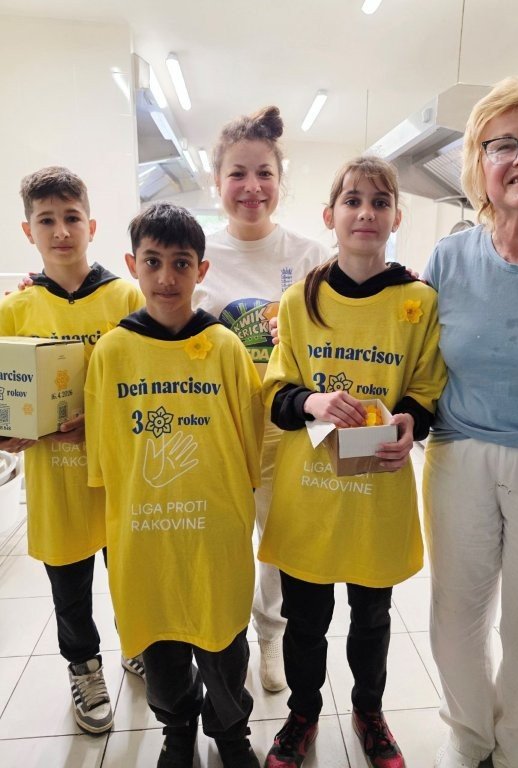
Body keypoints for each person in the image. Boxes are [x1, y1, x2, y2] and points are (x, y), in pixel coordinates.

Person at [258, 156, 446, 768]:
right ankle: (302, 714)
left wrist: (409, 421)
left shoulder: (417, 301)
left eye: (380, 202)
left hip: (376, 490)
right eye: (353, 201)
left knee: (372, 618)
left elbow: (426, 388)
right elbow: (277, 395)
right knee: (305, 620)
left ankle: (369, 711)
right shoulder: (299, 301)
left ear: (396, 217)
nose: (366, 213)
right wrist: (312, 401)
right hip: (310, 496)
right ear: (329, 215)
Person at [422, 77, 518, 768]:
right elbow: (410, 356)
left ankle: (517, 755)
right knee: (455, 620)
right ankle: (469, 737)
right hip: (459, 453)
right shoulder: (449, 259)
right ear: (479, 166)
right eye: (503, 144)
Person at [84, 202, 264, 768]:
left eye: (181, 263)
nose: (166, 277)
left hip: (215, 529)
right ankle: (177, 728)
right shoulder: (113, 351)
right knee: (159, 645)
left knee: (223, 644)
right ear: (131, 265)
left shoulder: (225, 347)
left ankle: (231, 733)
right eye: (153, 262)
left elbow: (250, 442)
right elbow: (105, 454)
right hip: (144, 531)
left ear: (201, 271)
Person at [0, 166, 144, 734]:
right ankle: (84, 667)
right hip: (55, 479)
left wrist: (102, 422)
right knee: (68, 584)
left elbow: (147, 382)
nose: (61, 231)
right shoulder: (15, 310)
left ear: (92, 225)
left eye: (71, 218)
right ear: (28, 230)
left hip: (119, 475)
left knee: (130, 571)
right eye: (46, 221)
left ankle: (138, 644)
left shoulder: (127, 296)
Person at [193, 105, 328, 692]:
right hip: (218, 429)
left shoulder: (309, 255)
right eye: (238, 173)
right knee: (222, 541)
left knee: (276, 541)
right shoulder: (197, 255)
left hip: (287, 429)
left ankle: (270, 636)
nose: (252, 187)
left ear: (280, 179)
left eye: (264, 173)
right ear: (216, 180)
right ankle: (223, 639)